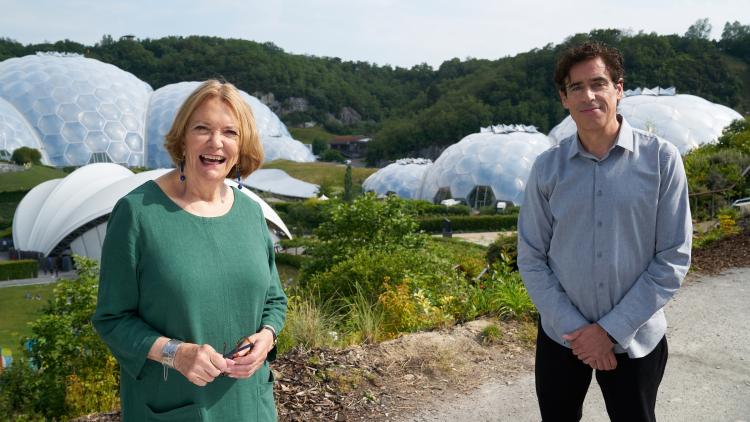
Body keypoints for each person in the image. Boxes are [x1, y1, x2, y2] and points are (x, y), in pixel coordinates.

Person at [93, 80, 288, 421]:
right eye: (203, 128)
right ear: (183, 138)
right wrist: (175, 353)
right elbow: (112, 319)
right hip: (175, 406)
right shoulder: (137, 213)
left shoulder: (251, 213)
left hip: (251, 406)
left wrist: (267, 338)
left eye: (230, 132)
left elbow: (274, 300)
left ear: (241, 147)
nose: (216, 142)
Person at [517, 41, 692, 422]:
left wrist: (609, 332)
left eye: (598, 83)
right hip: (562, 337)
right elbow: (531, 258)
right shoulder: (547, 169)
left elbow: (673, 257)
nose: (589, 95)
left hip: (637, 338)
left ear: (619, 88)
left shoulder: (661, 160)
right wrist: (579, 331)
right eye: (576, 87)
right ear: (564, 97)